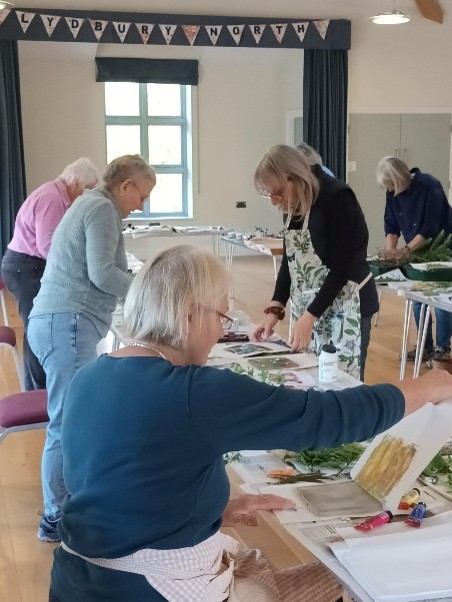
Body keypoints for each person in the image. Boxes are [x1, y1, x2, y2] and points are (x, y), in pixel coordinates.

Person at [48, 244, 452, 602]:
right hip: (144, 590)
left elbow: (116, 484)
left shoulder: (90, 376)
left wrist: (210, 511)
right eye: (221, 316)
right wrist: (427, 386)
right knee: (349, 580)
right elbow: (327, 418)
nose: (220, 333)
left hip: (77, 583)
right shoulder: (193, 392)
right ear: (189, 315)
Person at [27, 154, 156, 543]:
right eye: (142, 195)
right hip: (66, 324)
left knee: (74, 418)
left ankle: (69, 507)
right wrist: (149, 290)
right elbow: (102, 274)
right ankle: (57, 518)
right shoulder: (101, 208)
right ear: (125, 186)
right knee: (68, 422)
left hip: (59, 322)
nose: (141, 205)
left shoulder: (90, 204)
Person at [253, 144, 378, 381]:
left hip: (348, 307)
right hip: (313, 310)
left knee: (344, 383)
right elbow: (290, 261)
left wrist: (310, 317)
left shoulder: (337, 197)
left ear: (294, 178)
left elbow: (342, 269)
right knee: (311, 380)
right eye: (269, 195)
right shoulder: (292, 203)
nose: (275, 202)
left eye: (277, 193)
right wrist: (275, 310)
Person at [1, 158, 101, 390]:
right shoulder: (53, 200)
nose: (85, 195)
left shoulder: (54, 194)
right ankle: (40, 391)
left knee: (37, 328)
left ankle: (35, 388)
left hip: (26, 265)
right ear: (76, 182)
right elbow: (49, 247)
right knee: (40, 329)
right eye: (87, 189)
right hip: (25, 267)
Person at [377, 156, 452, 363]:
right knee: (417, 300)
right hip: (416, 250)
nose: (390, 190)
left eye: (391, 185)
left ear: (399, 178)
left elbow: (430, 229)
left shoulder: (430, 185)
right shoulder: (392, 193)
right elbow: (391, 225)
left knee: (440, 300)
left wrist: (405, 251)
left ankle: (443, 350)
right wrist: (391, 252)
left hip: (443, 247)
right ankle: (425, 347)